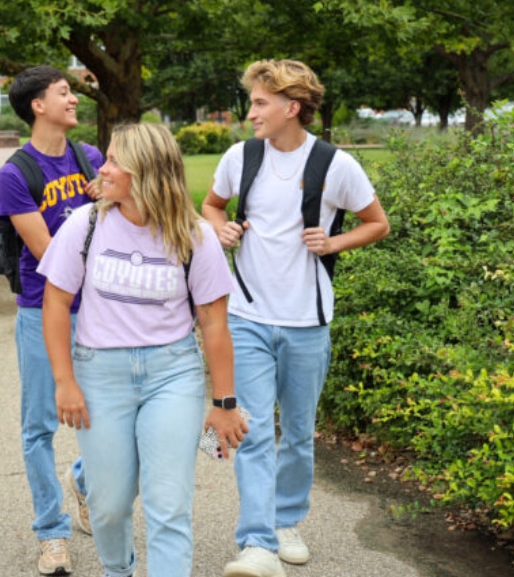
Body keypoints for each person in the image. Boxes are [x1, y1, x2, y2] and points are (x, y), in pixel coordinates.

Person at [201, 59, 390, 577]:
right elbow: (212, 206)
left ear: (292, 107)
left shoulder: (336, 164)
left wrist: (333, 242)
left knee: (300, 434)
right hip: (247, 317)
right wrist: (220, 228)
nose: (250, 112)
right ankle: (257, 544)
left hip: (308, 321)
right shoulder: (241, 157)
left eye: (260, 103)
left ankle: (286, 522)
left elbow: (377, 223)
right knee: (254, 430)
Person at [39, 122, 245, 577]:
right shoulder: (85, 224)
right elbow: (55, 302)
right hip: (99, 374)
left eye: (115, 161)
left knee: (168, 504)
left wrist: (224, 403)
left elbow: (214, 323)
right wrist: (64, 381)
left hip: (172, 374)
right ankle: (118, 569)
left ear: (146, 171)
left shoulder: (195, 236)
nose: (103, 168)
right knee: (109, 505)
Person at [0, 64, 103, 576]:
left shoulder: (91, 159)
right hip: (42, 312)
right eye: (64, 92)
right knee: (39, 426)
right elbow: (49, 255)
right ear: (38, 105)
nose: (73, 99)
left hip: (99, 310)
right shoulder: (15, 175)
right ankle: (51, 531)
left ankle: (82, 479)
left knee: (107, 417)